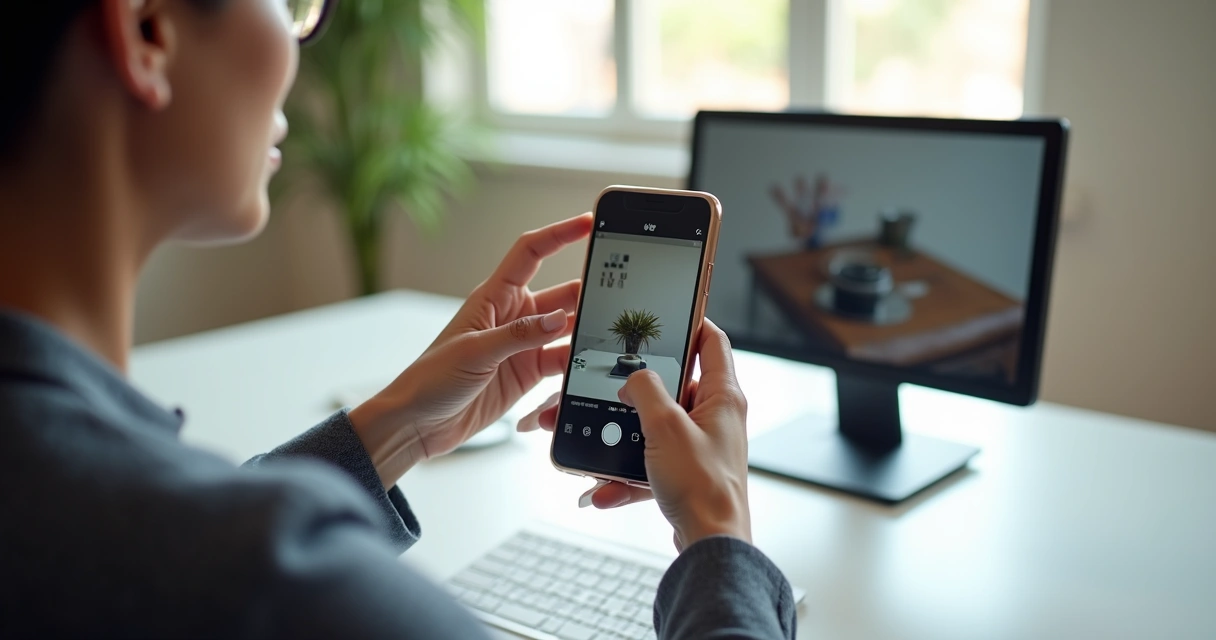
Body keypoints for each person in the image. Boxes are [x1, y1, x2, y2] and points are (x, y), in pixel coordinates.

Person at [0, 0, 797, 638]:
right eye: (292, 2)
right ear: (148, 29)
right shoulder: (299, 596)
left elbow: (151, 558)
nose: (303, 35)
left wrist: (395, 428)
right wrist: (720, 537)